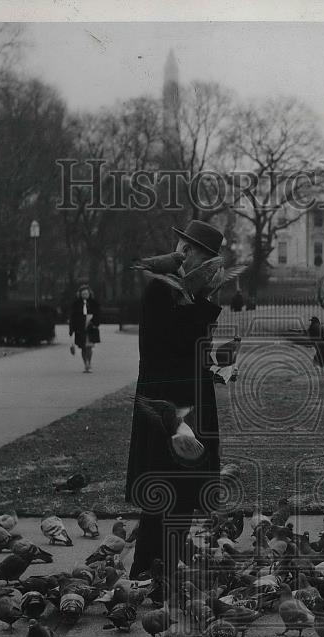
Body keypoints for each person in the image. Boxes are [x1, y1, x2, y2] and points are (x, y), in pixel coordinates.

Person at [125, 220, 225, 592]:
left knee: (185, 488)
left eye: (197, 250)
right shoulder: (160, 290)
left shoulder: (196, 295)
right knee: (162, 485)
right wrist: (201, 308)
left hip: (193, 399)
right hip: (166, 402)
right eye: (186, 246)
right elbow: (160, 349)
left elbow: (194, 348)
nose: (187, 253)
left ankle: (170, 564)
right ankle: (146, 570)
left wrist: (216, 365)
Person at [68, 284, 101, 373]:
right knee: (83, 347)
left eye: (86, 293)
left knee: (89, 347)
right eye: (83, 293)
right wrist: (71, 330)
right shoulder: (76, 304)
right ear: (80, 294)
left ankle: (89, 363)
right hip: (80, 329)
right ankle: (85, 363)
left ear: (89, 294)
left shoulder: (94, 303)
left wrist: (94, 323)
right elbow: (72, 318)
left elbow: (98, 315)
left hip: (91, 328)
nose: (85, 295)